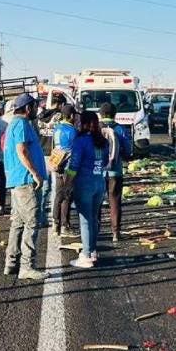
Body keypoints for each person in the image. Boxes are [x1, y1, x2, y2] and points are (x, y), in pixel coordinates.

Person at [3, 94, 48, 280]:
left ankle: (11, 262)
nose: (37, 110)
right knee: (31, 223)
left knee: (18, 223)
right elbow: (21, 150)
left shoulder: (13, 124)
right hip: (25, 181)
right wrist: (35, 172)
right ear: (28, 108)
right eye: (35, 107)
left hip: (17, 180)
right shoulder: (21, 124)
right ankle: (27, 266)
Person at [66, 111, 108, 268]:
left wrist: (67, 184)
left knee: (85, 220)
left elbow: (74, 166)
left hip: (84, 184)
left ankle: (86, 255)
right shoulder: (102, 141)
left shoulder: (80, 141)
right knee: (93, 218)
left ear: (83, 123)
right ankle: (93, 250)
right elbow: (104, 162)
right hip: (99, 182)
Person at [99, 102, 133, 242]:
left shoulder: (95, 128)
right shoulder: (120, 129)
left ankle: (96, 230)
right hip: (115, 171)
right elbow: (128, 150)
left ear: (100, 114)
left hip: (98, 172)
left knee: (97, 202)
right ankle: (116, 232)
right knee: (115, 201)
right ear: (115, 114)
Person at [50, 103, 78, 237]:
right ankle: (65, 226)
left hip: (57, 165)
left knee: (58, 194)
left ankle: (55, 224)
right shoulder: (73, 131)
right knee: (67, 196)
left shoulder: (57, 128)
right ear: (72, 116)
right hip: (69, 168)